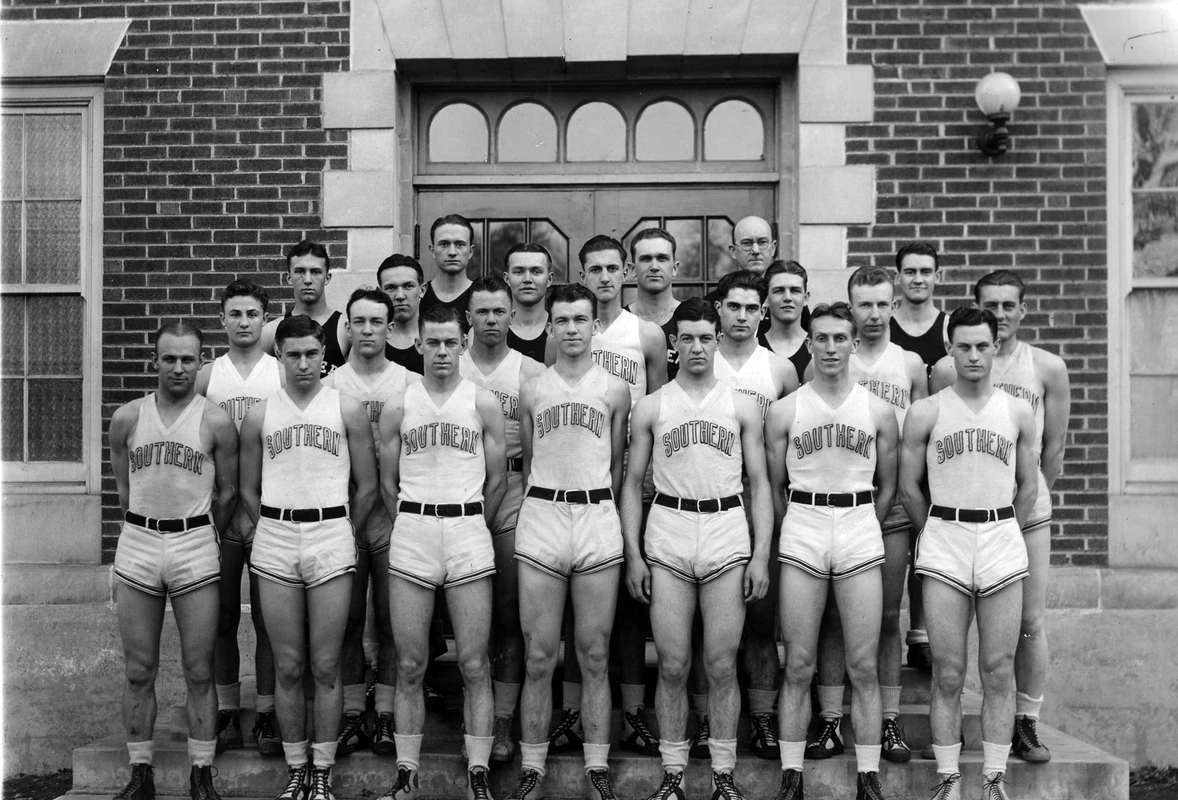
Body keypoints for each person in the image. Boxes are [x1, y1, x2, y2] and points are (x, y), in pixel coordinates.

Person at [624, 299, 773, 800]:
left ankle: (724, 773)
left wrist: (759, 553)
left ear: (717, 340)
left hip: (726, 526)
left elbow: (760, 482)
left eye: (705, 337)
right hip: (668, 526)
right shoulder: (652, 405)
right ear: (673, 345)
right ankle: (672, 773)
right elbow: (630, 484)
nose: (696, 347)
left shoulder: (741, 404)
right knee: (671, 663)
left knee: (722, 661)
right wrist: (633, 553)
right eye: (686, 338)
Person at [930, 271, 1071, 766]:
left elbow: (1050, 454)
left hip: (1023, 512)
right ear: (976, 308)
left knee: (1030, 622)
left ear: (1023, 310)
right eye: (993, 304)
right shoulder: (950, 372)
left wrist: (1017, 508)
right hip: (966, 513)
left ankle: (1026, 723)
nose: (1004, 312)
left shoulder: (1047, 368)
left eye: (1011, 305)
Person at [239, 315, 380, 800]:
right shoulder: (260, 414)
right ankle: (296, 766)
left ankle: (323, 769)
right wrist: (273, 526)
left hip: (331, 533)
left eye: (311, 354)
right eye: (292, 354)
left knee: (326, 664)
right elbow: (247, 489)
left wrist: (345, 530)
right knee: (289, 664)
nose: (303, 363)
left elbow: (367, 487)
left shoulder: (348, 408)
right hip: (277, 535)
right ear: (278, 356)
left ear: (325, 355)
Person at [901, 306, 1039, 800]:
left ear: (996, 345)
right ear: (949, 346)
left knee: (998, 667)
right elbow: (909, 488)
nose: (975, 355)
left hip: (1000, 535)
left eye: (984, 345)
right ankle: (948, 778)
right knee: (948, 669)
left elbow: (1027, 486)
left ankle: (995, 778)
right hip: (946, 535)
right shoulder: (928, 411)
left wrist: (1004, 529)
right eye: (965, 346)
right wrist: (936, 529)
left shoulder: (1018, 411)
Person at [764, 303, 899, 800]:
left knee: (862, 664)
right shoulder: (786, 410)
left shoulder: (878, 410)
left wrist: (866, 520)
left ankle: (868, 777)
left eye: (840, 338)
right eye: (821, 338)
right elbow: (775, 485)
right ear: (811, 343)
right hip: (804, 520)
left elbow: (888, 485)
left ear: (854, 344)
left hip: (860, 520)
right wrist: (795, 525)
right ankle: (791, 775)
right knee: (798, 662)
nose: (831, 348)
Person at [375, 305, 507, 800]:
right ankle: (407, 771)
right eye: (433, 343)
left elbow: (498, 481)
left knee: (474, 662)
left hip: (468, 525)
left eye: (451, 342)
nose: (443, 352)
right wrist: (412, 520)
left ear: (464, 341)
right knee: (411, 663)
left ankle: (477, 770)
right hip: (413, 526)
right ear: (420, 345)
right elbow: (388, 485)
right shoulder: (399, 404)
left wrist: (473, 520)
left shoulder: (483, 402)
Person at [505, 283, 631, 800]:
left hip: (597, 511)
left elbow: (619, 463)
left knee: (594, 652)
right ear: (549, 327)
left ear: (594, 326)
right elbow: (532, 459)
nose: (573, 329)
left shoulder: (616, 389)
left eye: (582, 319)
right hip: (544, 513)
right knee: (539, 654)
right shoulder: (533, 387)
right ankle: (533, 766)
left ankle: (596, 765)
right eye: (563, 321)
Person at [108, 322, 240, 800]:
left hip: (194, 544)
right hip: (140, 542)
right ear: (155, 360)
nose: (179, 367)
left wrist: (202, 531)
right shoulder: (127, 418)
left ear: (201, 362)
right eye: (170, 358)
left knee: (198, 668)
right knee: (139, 667)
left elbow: (226, 493)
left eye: (189, 359)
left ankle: (201, 773)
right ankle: (140, 773)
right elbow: (125, 490)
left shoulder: (216, 420)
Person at [806, 268, 928, 765]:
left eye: (882, 304)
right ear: (850, 309)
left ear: (893, 305)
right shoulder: (833, 359)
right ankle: (832, 719)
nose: (874, 313)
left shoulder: (911, 363)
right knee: (834, 616)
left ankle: (890, 720)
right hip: (841, 496)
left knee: (884, 618)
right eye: (864, 304)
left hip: (891, 502)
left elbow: (920, 436)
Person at [580, 233, 668, 757]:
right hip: (585, 477)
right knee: (583, 601)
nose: (605, 278)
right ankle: (575, 710)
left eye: (614, 268)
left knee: (633, 601)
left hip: (637, 474)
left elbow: (660, 407)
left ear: (627, 271)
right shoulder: (572, 329)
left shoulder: (649, 334)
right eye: (595, 270)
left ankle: (634, 711)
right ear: (584, 274)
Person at [323, 289, 422, 758]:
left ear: (389, 327)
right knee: (346, 620)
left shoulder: (409, 381)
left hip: (391, 513)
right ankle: (348, 715)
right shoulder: (330, 384)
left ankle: (384, 714)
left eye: (376, 322)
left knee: (390, 619)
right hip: (340, 510)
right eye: (358, 322)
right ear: (348, 326)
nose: (367, 330)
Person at [709, 270, 797, 762]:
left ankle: (762, 718)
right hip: (710, 496)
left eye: (750, 307)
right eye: (733, 306)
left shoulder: (780, 370)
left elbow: (789, 439)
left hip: (760, 495)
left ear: (763, 311)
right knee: (709, 626)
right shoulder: (702, 359)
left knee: (761, 619)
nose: (741, 316)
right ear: (718, 309)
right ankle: (706, 721)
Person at [458, 277, 547, 762]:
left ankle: (504, 719)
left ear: (513, 315)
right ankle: (472, 710)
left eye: (499, 311)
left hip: (513, 492)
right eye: (482, 311)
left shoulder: (531, 371)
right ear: (467, 317)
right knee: (469, 614)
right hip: (459, 492)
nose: (491, 319)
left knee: (511, 612)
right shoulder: (451, 366)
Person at [196, 281, 283, 758]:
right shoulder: (209, 376)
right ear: (223, 320)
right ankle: (228, 708)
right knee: (223, 617)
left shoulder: (281, 371)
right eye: (236, 313)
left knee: (271, 621)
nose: (244, 321)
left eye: (253, 313)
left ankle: (267, 710)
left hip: (271, 512)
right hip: (222, 515)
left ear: (264, 319)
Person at [888, 241, 947, 672]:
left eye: (926, 271)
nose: (918, 279)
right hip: (887, 452)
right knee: (893, 545)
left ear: (937, 277)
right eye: (910, 271)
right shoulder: (882, 326)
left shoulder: (948, 329)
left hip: (935, 451)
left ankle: (921, 634)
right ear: (898, 277)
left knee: (926, 544)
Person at [261, 240, 349, 376]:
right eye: (300, 271)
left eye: (315, 272)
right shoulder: (270, 333)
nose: (307, 280)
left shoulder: (345, 329)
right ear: (289, 278)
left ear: (327, 278)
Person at [624, 228, 682, 379]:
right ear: (632, 269)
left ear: (675, 268)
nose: (654, 267)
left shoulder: (693, 320)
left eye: (662, 258)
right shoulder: (620, 322)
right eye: (645, 259)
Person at [758, 261, 812, 385]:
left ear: (805, 298)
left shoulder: (819, 347)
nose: (787, 297)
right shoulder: (754, 347)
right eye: (779, 291)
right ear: (766, 299)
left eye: (795, 291)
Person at [504, 242, 554, 364]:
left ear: (549, 279)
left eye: (536, 272)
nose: (527, 279)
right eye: (518, 272)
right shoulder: (491, 329)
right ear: (507, 279)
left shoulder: (562, 329)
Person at [421, 214, 476, 316]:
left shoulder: (481, 296)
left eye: (460, 244)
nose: (452, 252)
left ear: (470, 251)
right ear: (432, 250)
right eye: (444, 244)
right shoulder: (420, 296)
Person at [380, 254, 427, 375]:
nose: (400, 296)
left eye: (408, 286)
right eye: (391, 288)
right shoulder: (371, 339)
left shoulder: (438, 339)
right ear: (380, 293)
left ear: (422, 290)